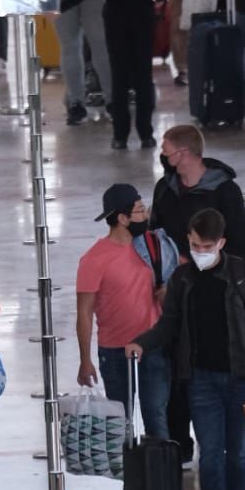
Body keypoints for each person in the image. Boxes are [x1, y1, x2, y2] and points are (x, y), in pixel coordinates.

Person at [127, 207, 245, 490]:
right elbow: (168, 325)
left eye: (206, 247)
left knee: (237, 451)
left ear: (221, 243)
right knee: (210, 451)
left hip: (242, 379)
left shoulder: (243, 276)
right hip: (201, 380)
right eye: (194, 245)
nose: (199, 253)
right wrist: (142, 343)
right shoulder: (183, 281)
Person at [75, 182, 177, 445]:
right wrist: (85, 360)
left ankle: (161, 481)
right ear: (122, 218)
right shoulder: (94, 259)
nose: (145, 216)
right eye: (140, 210)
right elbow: (84, 312)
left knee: (156, 415)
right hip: (114, 351)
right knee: (120, 424)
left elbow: (177, 283)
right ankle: (131, 482)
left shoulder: (153, 246)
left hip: (152, 346)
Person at [62, 0, 165, 151]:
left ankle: (120, 136)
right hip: (142, 20)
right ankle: (146, 135)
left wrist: (61, 7)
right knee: (142, 78)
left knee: (119, 78)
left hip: (116, 21)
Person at [151, 126, 245, 261]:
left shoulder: (226, 191)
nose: (163, 154)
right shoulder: (164, 187)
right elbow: (155, 232)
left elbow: (238, 243)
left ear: (182, 153)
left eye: (165, 150)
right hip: (173, 275)